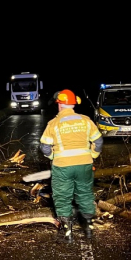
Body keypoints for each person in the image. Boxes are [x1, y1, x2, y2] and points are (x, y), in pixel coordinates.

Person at [39, 89, 103, 243]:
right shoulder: (86, 120)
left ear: (59, 104)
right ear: (74, 104)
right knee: (85, 193)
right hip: (85, 164)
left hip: (62, 166)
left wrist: (53, 157)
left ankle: (68, 233)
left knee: (62, 196)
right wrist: (92, 155)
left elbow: (44, 147)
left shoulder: (53, 124)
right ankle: (88, 228)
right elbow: (99, 142)